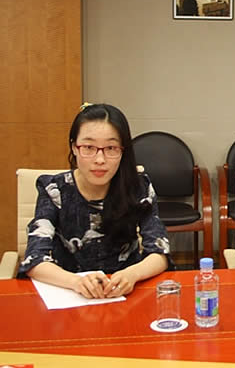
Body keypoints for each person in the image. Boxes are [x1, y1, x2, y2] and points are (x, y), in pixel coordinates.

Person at [18, 103, 171, 298]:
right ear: (74, 147)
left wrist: (132, 275)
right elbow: (35, 259)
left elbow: (160, 252)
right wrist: (76, 282)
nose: (100, 159)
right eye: (89, 147)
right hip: (67, 292)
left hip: (124, 291)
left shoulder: (138, 187)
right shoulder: (54, 189)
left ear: (123, 151)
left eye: (111, 148)